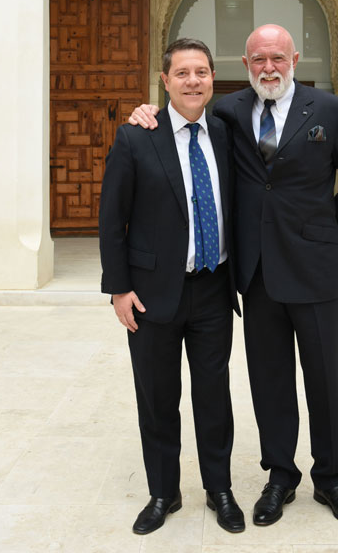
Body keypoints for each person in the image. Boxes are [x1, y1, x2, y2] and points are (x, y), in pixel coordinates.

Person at [130, 24, 338, 528]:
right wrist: (143, 113)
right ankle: (280, 475)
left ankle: (329, 477)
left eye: (278, 58)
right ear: (245, 66)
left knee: (324, 381)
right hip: (257, 274)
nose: (269, 67)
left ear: (294, 59)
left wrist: (324, 228)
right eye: (259, 59)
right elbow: (182, 126)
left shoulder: (327, 111)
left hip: (314, 272)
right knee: (269, 381)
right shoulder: (229, 112)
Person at [100, 38, 245, 535]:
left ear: (212, 79)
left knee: (213, 395)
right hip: (151, 292)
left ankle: (219, 488)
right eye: (181, 73)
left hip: (213, 288)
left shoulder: (228, 131)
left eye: (201, 72)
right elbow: (111, 219)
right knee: (157, 398)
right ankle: (164, 492)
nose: (192, 81)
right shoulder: (136, 136)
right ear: (164, 81)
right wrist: (118, 289)